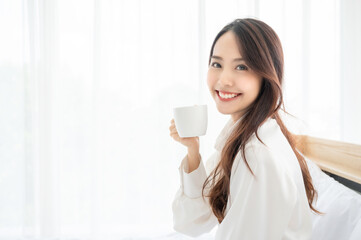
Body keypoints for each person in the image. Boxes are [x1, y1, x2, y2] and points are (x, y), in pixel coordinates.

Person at [169, 18, 321, 239]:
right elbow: (191, 222)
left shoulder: (258, 156)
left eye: (241, 67)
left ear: (266, 75)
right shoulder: (242, 137)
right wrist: (193, 150)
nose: (224, 80)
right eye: (216, 64)